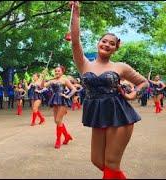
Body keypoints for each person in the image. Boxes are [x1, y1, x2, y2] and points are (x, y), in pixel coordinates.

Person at [69, 1, 149, 178]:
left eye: (111, 43)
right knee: (97, 161)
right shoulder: (84, 64)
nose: (106, 44)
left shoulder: (120, 67)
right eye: (104, 41)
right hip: (98, 116)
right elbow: (75, 42)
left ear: (115, 48)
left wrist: (133, 94)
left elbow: (144, 83)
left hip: (119, 114)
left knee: (111, 163)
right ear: (98, 43)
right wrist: (76, 14)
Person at [42, 66, 76, 149]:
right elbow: (42, 86)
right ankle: (67, 136)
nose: (57, 72)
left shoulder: (65, 80)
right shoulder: (52, 80)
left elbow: (74, 89)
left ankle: (58, 140)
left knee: (58, 120)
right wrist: (43, 77)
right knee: (57, 121)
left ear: (62, 72)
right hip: (55, 100)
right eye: (56, 71)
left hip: (62, 100)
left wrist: (67, 96)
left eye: (59, 71)